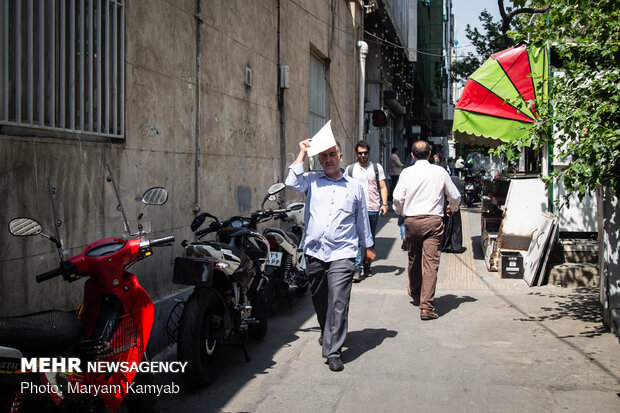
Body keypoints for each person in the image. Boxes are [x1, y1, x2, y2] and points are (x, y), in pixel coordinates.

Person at [286, 138, 375, 372]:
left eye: (331, 155)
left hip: (343, 252)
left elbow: (361, 220)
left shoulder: (355, 186)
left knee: (338, 300)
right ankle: (327, 330)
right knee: (320, 299)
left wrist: (367, 246)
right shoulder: (312, 181)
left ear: (340, 157)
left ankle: (333, 350)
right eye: (323, 156)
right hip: (315, 251)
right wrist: (303, 152)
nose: (327, 160)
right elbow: (291, 181)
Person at [392, 140, 461, 320]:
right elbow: (455, 195)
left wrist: (400, 212)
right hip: (433, 221)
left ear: (413, 155)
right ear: (429, 154)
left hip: (412, 221)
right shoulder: (439, 171)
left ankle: (415, 292)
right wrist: (452, 208)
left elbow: (398, 198)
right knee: (431, 264)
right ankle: (426, 307)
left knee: (413, 258)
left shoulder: (406, 173)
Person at [345, 141, 388, 281]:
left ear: (369, 153)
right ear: (356, 153)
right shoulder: (350, 169)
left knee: (370, 239)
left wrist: (385, 204)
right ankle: (357, 268)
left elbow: (382, 187)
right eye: (360, 153)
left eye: (365, 153)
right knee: (356, 239)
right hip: (355, 210)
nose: (362, 155)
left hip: (373, 209)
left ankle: (367, 265)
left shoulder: (376, 168)